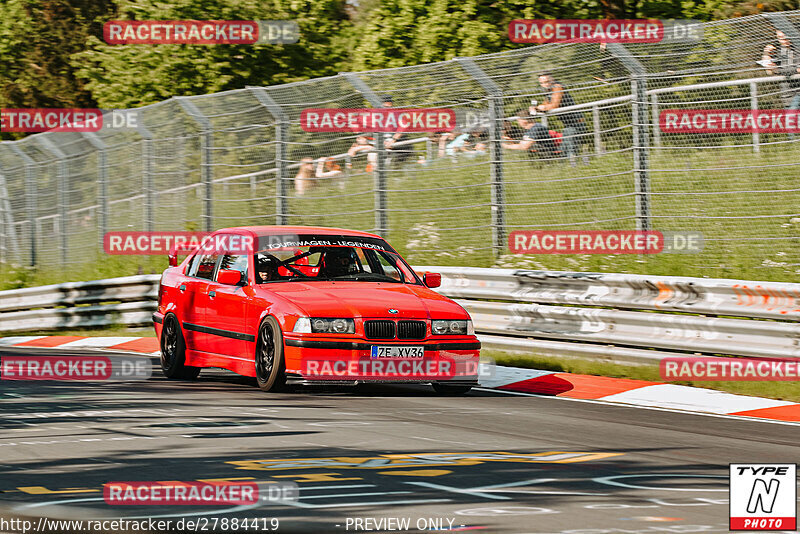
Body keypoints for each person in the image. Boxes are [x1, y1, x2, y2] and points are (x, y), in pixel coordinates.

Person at [535, 73, 588, 165]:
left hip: (576, 123)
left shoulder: (557, 87)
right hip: (568, 124)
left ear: (552, 79)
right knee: (563, 148)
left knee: (570, 148)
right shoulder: (548, 92)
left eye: (547, 82)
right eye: (542, 83)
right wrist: (536, 108)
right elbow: (545, 104)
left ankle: (574, 167)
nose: (545, 85)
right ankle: (567, 167)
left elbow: (554, 105)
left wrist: (542, 107)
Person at [761, 30, 800, 139]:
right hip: (785, 92)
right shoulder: (779, 53)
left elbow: (797, 69)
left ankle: (792, 142)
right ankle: (793, 145)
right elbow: (769, 71)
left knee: (790, 118)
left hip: (797, 90)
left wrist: (779, 69)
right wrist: (766, 54)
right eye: (780, 37)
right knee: (792, 120)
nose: (784, 39)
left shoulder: (797, 50)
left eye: (785, 36)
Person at [381, 94, 414, 164]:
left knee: (396, 163)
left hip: (397, 142)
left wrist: (393, 140)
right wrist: (382, 142)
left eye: (388, 104)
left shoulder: (396, 113)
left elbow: (403, 126)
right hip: (383, 143)